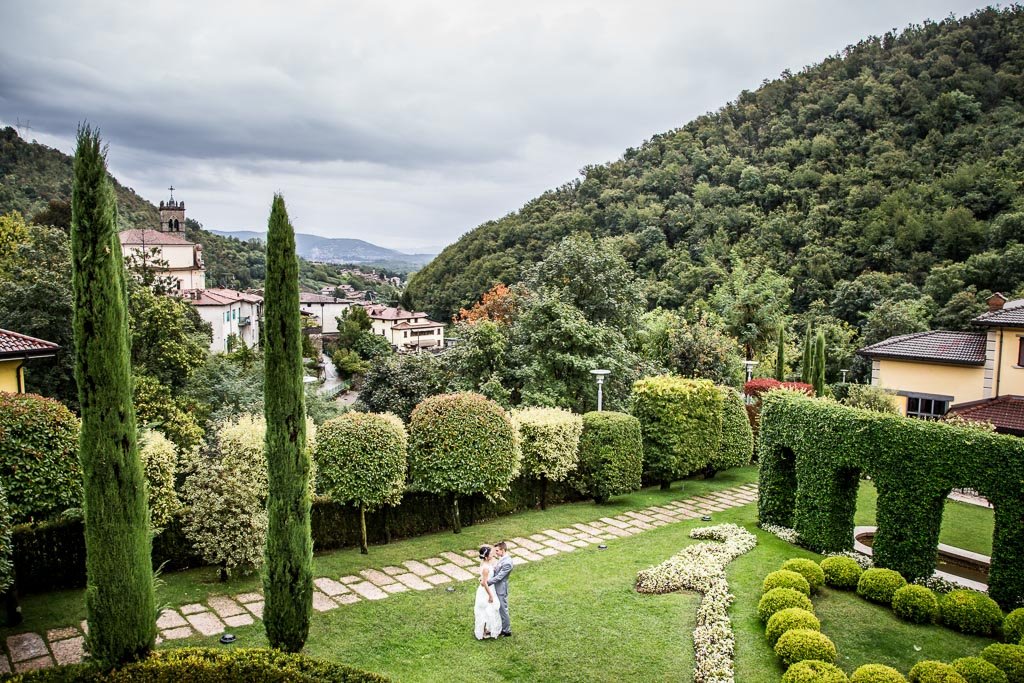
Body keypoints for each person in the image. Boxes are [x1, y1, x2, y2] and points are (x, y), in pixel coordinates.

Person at [486, 540, 513, 637]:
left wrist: (487, 582)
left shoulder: (508, 562)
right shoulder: (502, 559)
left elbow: (500, 577)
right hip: (496, 587)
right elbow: (497, 570)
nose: (495, 553)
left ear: (503, 550)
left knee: (503, 609)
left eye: (497, 551)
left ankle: (507, 630)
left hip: (501, 589)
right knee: (497, 608)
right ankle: (500, 627)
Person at [474, 545, 502, 640]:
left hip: (491, 588)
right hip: (487, 590)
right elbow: (484, 583)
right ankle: (485, 630)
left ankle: (487, 628)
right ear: (486, 557)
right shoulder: (485, 568)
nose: (492, 555)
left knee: (489, 609)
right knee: (487, 609)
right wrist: (490, 595)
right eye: (490, 554)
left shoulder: (486, 564)